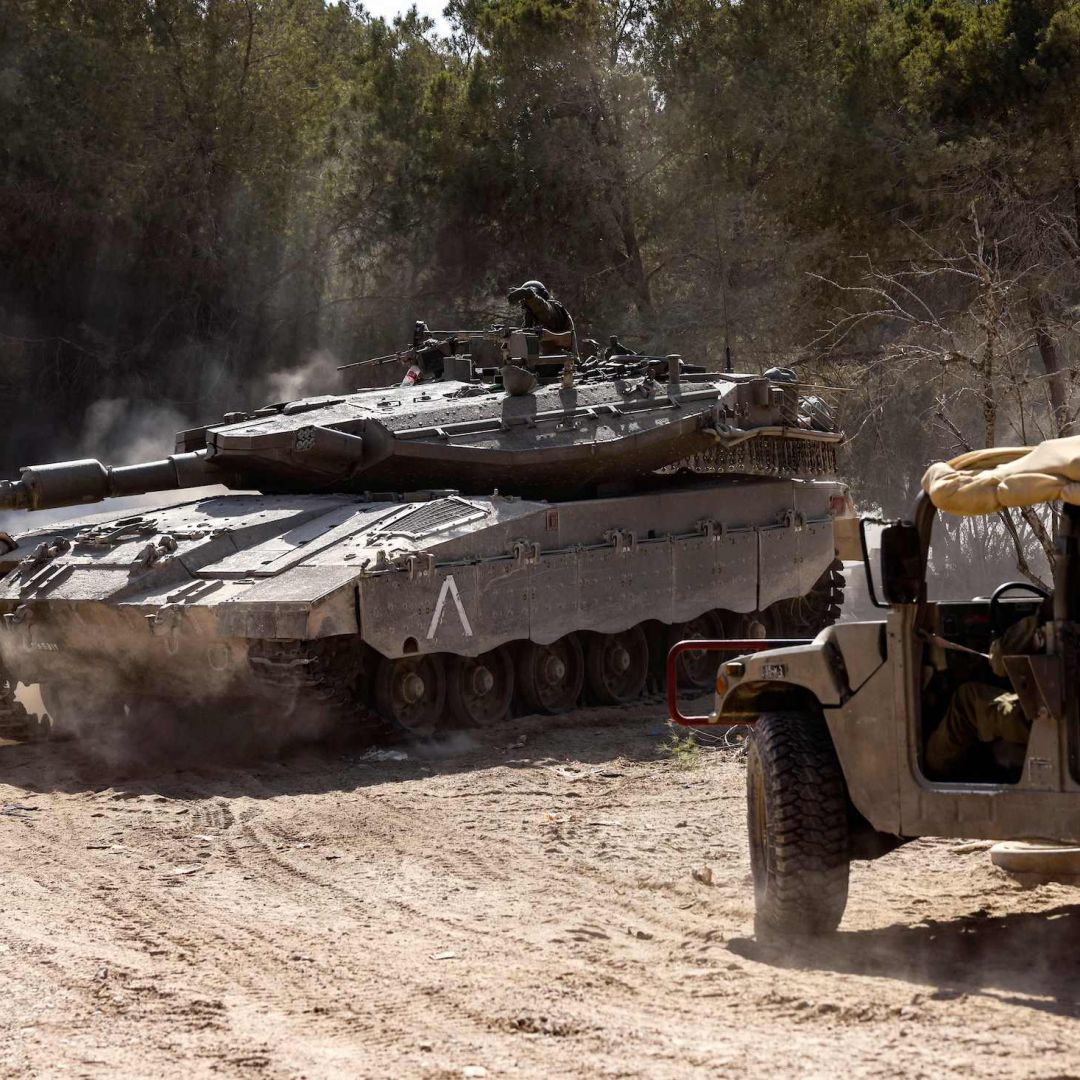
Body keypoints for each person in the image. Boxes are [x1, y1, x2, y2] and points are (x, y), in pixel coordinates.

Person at [925, 614, 1044, 777]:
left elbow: (1003, 656)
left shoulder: (1066, 600)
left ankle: (932, 769)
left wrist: (999, 651)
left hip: (1059, 715)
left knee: (967, 701)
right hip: (1063, 701)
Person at [507, 280, 574, 339]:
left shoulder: (556, 309)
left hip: (560, 352)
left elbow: (543, 309)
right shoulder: (530, 320)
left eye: (529, 300)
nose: (528, 303)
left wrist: (529, 295)